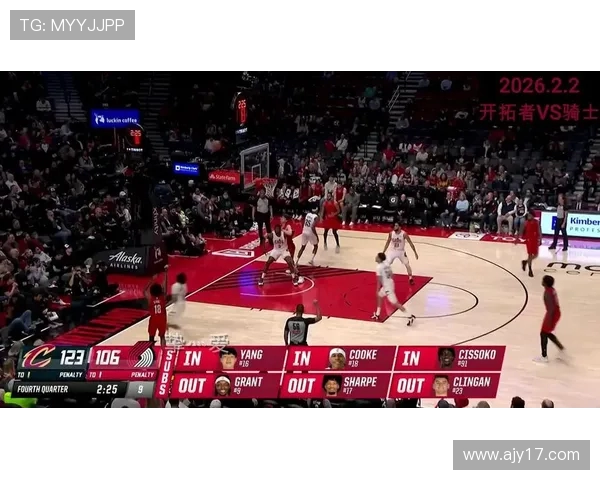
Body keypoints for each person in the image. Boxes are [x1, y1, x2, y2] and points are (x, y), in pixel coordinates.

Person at [372, 252, 416, 325]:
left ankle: (409, 316)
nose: (375, 257)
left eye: (377, 256)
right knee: (380, 296)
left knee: (395, 303)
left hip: (387, 287)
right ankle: (377, 314)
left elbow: (379, 280)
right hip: (390, 283)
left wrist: (377, 289)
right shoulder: (387, 264)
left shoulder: (378, 267)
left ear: (379, 259)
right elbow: (392, 275)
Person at [536, 275, 566, 363]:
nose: (541, 281)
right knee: (547, 333)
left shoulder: (547, 293)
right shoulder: (552, 290)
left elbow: (551, 308)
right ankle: (561, 349)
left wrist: (549, 320)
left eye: (543, 280)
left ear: (545, 283)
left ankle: (544, 357)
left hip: (552, 314)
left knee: (543, 333)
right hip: (556, 313)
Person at [146, 265, 169, 346]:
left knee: (151, 337)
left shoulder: (150, 299)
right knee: (162, 336)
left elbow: (144, 291)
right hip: (162, 318)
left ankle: (151, 351)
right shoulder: (163, 297)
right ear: (160, 291)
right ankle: (163, 350)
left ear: (152, 291)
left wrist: (152, 280)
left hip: (153, 319)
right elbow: (165, 287)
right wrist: (165, 274)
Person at [519, 210, 541, 278]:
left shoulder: (537, 222)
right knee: (530, 255)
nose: (528, 216)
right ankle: (530, 270)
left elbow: (539, 230)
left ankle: (525, 262)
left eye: (529, 215)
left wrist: (540, 239)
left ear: (532, 216)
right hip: (529, 240)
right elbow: (521, 231)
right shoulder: (526, 222)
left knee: (536, 255)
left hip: (535, 239)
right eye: (528, 215)